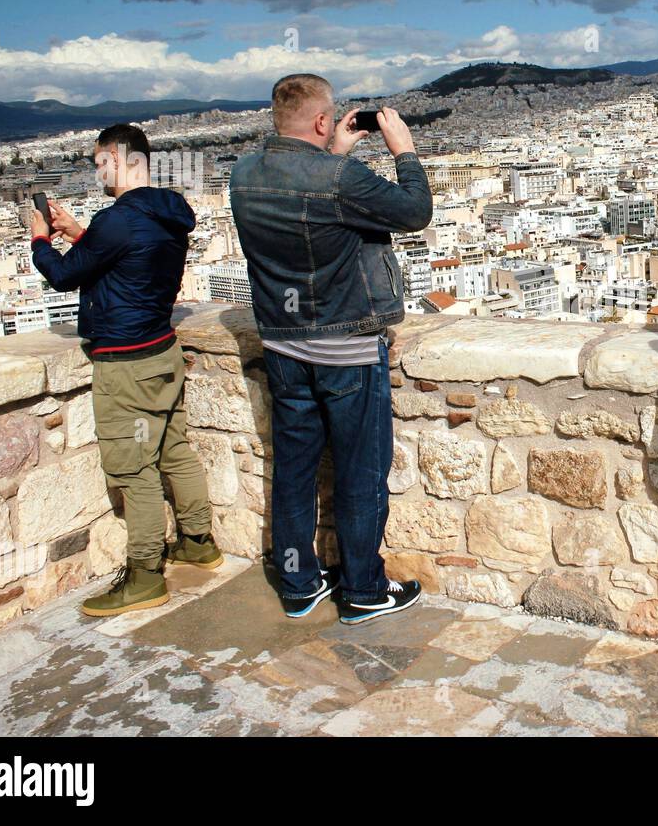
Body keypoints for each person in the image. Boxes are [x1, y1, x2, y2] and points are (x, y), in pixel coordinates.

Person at [230, 73, 432, 625]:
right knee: (359, 472)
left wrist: (335, 151)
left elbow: (304, 207)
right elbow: (415, 212)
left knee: (293, 469)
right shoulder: (341, 178)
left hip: (282, 346)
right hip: (344, 345)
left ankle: (298, 582)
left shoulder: (243, 174)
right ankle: (364, 588)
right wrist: (404, 151)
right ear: (322, 121)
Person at [31, 123, 220, 617]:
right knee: (175, 450)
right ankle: (198, 541)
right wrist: (79, 232)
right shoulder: (165, 212)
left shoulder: (117, 219)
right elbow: (124, 256)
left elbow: (64, 275)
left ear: (119, 157)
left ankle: (144, 576)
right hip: (162, 351)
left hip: (125, 361)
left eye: (99, 163)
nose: (97, 173)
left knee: (132, 470)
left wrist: (40, 242)